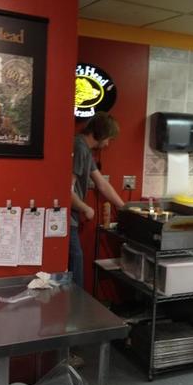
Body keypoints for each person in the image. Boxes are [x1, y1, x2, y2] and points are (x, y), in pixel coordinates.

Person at [69, 112, 125, 289]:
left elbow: (102, 184)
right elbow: (66, 190)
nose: (107, 144)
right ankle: (74, 304)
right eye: (108, 139)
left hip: (72, 218)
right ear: (101, 134)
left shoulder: (84, 149)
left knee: (76, 261)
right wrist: (85, 208)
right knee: (76, 262)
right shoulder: (79, 148)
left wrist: (123, 207)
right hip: (66, 218)